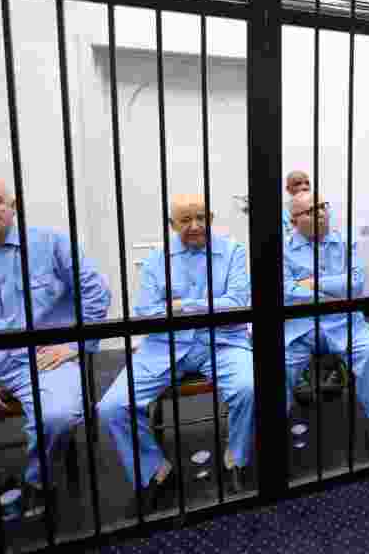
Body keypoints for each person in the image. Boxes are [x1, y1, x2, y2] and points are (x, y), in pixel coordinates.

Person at [0, 178, 111, 519]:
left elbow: (96, 292)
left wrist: (76, 343)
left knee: (58, 416)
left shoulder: (52, 244)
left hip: (41, 357)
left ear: (13, 205)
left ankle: (37, 480)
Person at [98, 194, 254, 510]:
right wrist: (208, 305)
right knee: (112, 406)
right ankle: (155, 469)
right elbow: (146, 310)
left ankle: (237, 456)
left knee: (249, 388)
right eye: (185, 220)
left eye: (201, 218)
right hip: (165, 345)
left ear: (210, 217)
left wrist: (181, 305)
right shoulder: (158, 258)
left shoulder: (233, 252)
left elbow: (237, 303)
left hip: (222, 340)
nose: (195, 226)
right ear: (172, 225)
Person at [281, 191, 369, 452]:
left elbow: (357, 284)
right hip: (301, 327)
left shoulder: (345, 241)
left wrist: (312, 284)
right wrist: (334, 287)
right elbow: (285, 292)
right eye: (309, 210)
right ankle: (277, 425)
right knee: (275, 366)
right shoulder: (283, 249)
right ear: (294, 220)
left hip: (344, 322)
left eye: (322, 206)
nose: (319, 212)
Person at [281, 170, 311, 240]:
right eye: (298, 184)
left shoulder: (323, 208)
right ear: (288, 189)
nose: (305, 187)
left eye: (307, 183)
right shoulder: (284, 214)